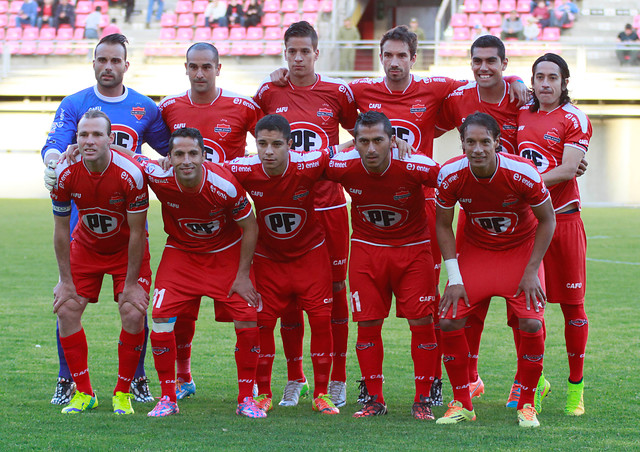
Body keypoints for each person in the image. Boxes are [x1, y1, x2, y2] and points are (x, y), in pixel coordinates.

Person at [42, 33, 170, 406]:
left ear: (126, 65)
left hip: (130, 222)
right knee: (65, 302)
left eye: (116, 61)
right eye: (102, 60)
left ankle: (136, 379)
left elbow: (168, 151)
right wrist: (53, 163)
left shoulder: (145, 107)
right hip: (84, 222)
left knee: (134, 304)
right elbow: (55, 144)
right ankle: (69, 381)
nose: (109, 67)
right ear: (94, 62)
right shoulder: (74, 103)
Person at [253, 20, 358, 409]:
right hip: (284, 208)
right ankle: (295, 377)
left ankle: (337, 380)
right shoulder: (270, 90)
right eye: (291, 51)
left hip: (328, 207)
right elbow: (262, 135)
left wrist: (336, 156)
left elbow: (359, 131)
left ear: (317, 53)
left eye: (304, 52)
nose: (297, 59)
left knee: (333, 293)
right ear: (285, 53)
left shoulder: (337, 92)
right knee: (287, 298)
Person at [130, 128, 263, 418]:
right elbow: (127, 154)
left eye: (193, 153)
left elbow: (250, 226)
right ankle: (168, 397)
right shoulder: (158, 174)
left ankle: (245, 399)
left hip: (224, 254)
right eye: (179, 154)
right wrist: (74, 150)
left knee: (248, 319)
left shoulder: (224, 185)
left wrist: (242, 276)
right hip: (182, 253)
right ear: (170, 157)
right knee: (161, 316)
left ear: (204, 155)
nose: (186, 160)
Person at [434, 112, 555, 428]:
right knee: (449, 320)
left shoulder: (522, 172)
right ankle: (463, 401)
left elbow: (548, 219)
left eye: (484, 142)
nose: (477, 149)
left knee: (530, 322)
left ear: (497, 143)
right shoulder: (450, 174)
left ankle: (527, 403)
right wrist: (454, 276)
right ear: (461, 144)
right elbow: (443, 225)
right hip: (478, 252)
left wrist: (531, 271)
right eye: (470, 142)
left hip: (520, 252)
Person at [157, 42, 261, 401]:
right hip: (186, 228)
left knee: (250, 312)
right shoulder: (168, 107)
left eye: (206, 67)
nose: (199, 73)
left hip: (229, 225)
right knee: (180, 310)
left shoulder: (245, 106)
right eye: (193, 67)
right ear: (185, 68)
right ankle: (182, 379)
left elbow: (270, 141)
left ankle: (261, 389)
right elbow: (153, 151)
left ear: (219, 68)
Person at [325, 111, 440, 419]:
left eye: (378, 141)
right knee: (367, 324)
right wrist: (342, 146)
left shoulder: (417, 166)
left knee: (422, 323)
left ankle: (423, 399)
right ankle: (374, 399)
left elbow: (454, 182)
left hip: (414, 252)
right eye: (363, 141)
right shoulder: (342, 166)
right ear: (356, 143)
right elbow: (302, 162)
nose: (371, 149)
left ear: (393, 141)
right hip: (366, 251)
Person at [226, 114, 339, 415]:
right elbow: (207, 169)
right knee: (263, 324)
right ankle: (263, 392)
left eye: (277, 144)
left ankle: (321, 393)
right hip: (269, 259)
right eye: (262, 144)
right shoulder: (245, 168)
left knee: (320, 321)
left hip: (310, 256)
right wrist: (165, 162)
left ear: (290, 145)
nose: (269, 151)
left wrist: (393, 144)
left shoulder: (309, 164)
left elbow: (350, 151)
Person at [50, 110, 152, 416]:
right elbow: (59, 230)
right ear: (76, 139)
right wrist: (64, 280)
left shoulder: (130, 174)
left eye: (96, 135)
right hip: (86, 247)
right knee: (66, 308)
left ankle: (123, 393)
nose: (89, 141)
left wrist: (132, 285)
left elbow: (137, 233)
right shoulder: (65, 172)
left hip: (126, 250)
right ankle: (84, 393)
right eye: (83, 135)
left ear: (110, 139)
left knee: (133, 312)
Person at [517, 53, 592, 416]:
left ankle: (575, 389)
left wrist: (518, 184)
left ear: (564, 83)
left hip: (563, 221)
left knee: (573, 308)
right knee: (527, 311)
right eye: (539, 77)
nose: (545, 84)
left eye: (553, 78)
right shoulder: (521, 113)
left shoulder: (575, 117)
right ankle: (536, 381)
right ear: (532, 81)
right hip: (529, 226)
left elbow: (566, 170)